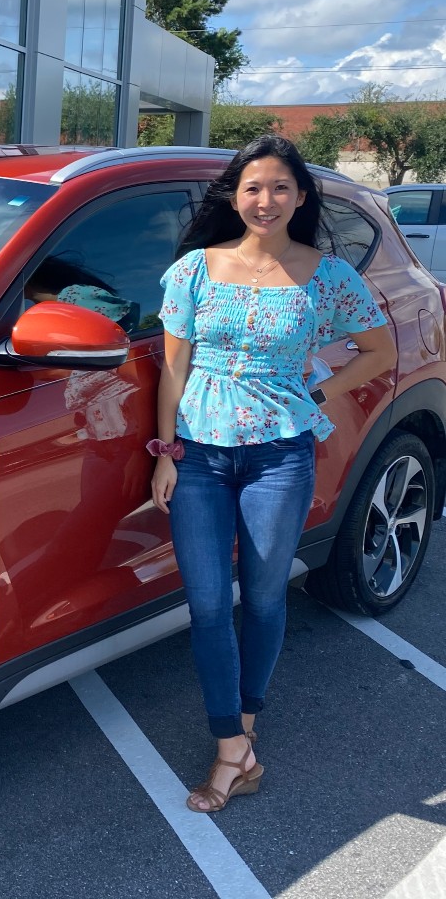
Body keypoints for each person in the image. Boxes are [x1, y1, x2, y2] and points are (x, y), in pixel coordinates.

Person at [149, 134, 396, 813]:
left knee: (262, 598)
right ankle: (234, 748)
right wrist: (165, 455)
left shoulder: (326, 276)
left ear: (301, 196)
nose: (266, 200)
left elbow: (378, 351)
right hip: (199, 455)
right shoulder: (196, 269)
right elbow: (173, 368)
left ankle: (241, 737)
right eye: (254, 187)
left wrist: (313, 393)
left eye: (281, 188)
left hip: (280, 456)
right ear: (235, 194)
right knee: (205, 605)